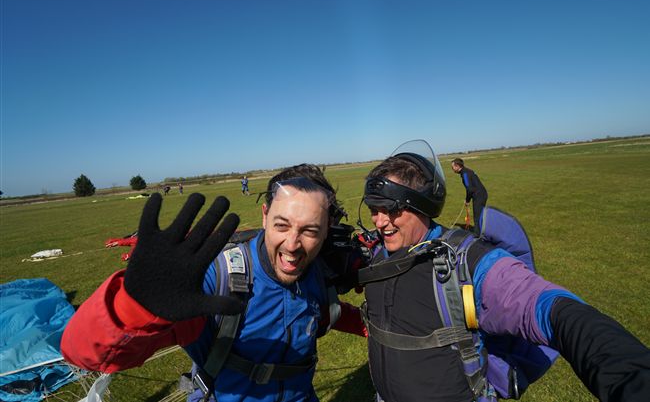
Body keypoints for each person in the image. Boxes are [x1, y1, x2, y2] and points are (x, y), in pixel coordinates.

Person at [359, 140, 649, 402]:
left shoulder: (465, 262)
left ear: (421, 204)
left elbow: (549, 308)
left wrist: (628, 374)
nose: (379, 221)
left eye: (391, 209)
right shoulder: (378, 254)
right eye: (373, 209)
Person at [61, 164, 366, 402]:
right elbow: (83, 353)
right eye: (282, 225)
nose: (292, 244)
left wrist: (375, 326)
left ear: (327, 229)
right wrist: (134, 307)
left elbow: (321, 312)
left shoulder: (314, 272)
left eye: (310, 230)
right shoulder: (217, 279)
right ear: (264, 215)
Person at [451, 158, 487, 234]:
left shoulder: (465, 174)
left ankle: (477, 234)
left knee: (477, 215)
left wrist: (467, 200)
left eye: (452, 167)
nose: (452, 169)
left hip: (479, 195)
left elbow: (470, 189)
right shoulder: (466, 171)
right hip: (482, 194)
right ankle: (481, 231)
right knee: (480, 214)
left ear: (457, 166)